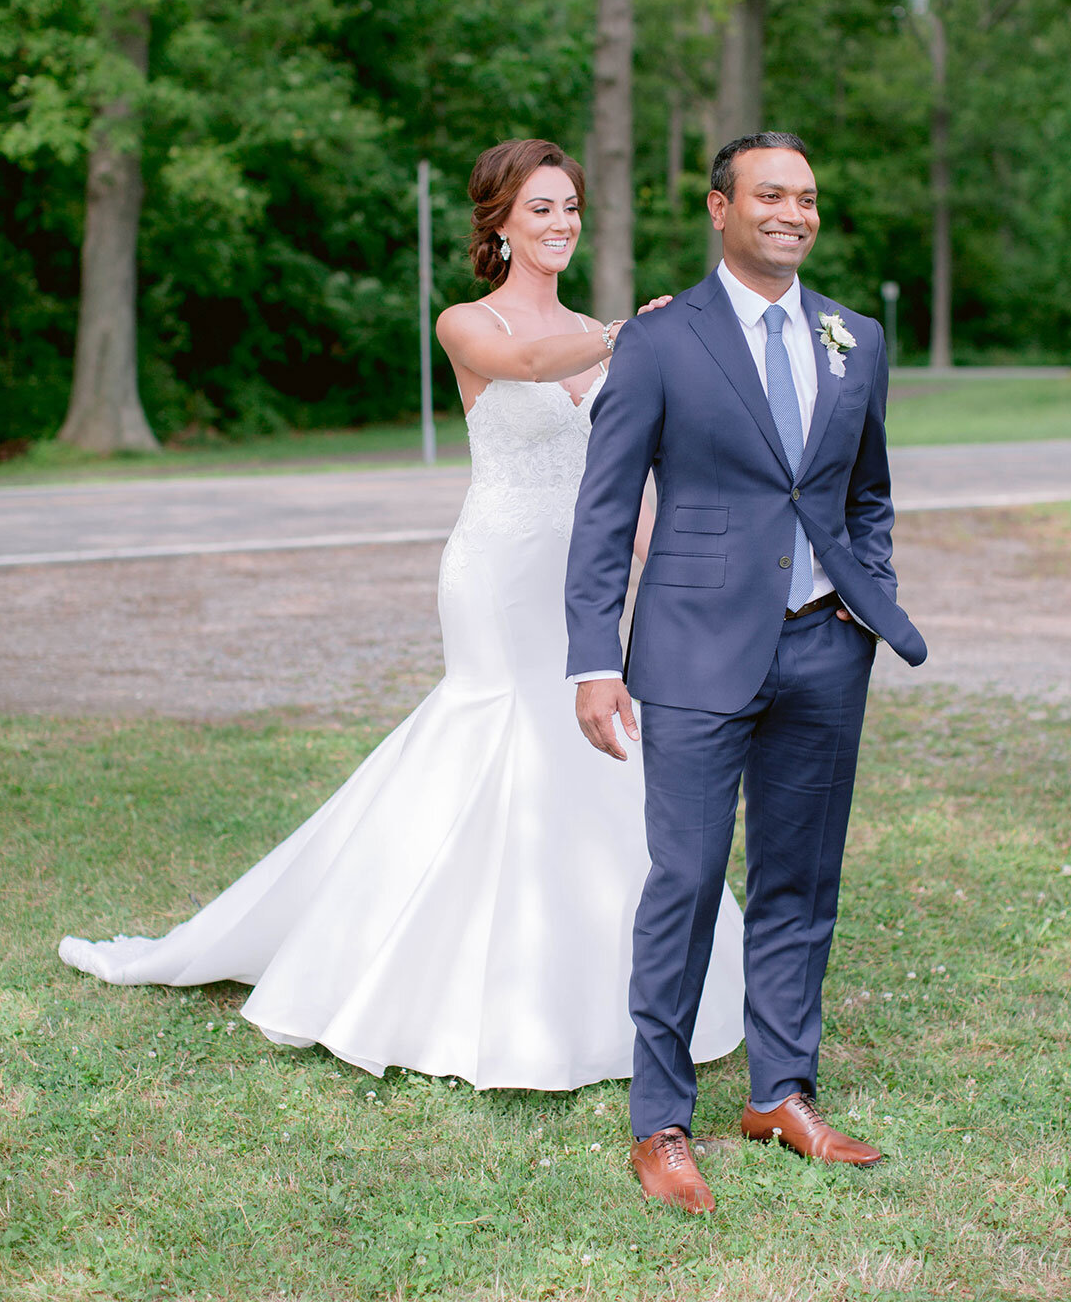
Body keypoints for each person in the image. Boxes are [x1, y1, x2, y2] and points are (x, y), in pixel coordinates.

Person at [59, 138, 744, 1091]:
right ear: (499, 222)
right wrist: (639, 330)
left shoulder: (593, 328)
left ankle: (606, 990)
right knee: (494, 733)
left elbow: (614, 476)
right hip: (497, 572)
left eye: (571, 208)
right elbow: (527, 359)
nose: (560, 224)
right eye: (540, 209)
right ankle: (411, 971)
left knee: (591, 750)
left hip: (575, 579)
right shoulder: (469, 323)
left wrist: (665, 566)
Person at [565, 131, 927, 1211]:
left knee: (799, 882)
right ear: (721, 206)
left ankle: (780, 1093)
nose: (794, 212)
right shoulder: (663, 341)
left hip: (825, 647)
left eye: (808, 197)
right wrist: (595, 655)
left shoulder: (854, 336)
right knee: (684, 882)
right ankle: (661, 1121)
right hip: (690, 652)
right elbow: (603, 505)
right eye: (771, 193)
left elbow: (866, 490)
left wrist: (866, 593)